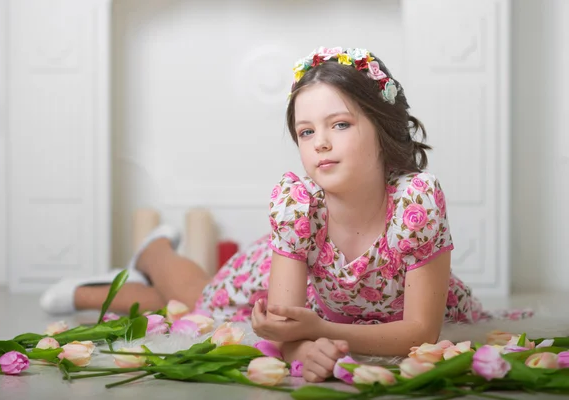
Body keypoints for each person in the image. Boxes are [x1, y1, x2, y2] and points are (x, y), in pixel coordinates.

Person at [40, 46, 492, 383]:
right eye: (306, 131)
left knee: (179, 305)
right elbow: (287, 326)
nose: (321, 143)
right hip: (292, 276)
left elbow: (421, 330)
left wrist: (314, 337)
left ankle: (138, 265)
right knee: (197, 303)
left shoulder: (417, 201)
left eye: (340, 124)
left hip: (336, 311)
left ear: (384, 128)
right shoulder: (299, 207)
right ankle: (153, 252)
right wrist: (302, 340)